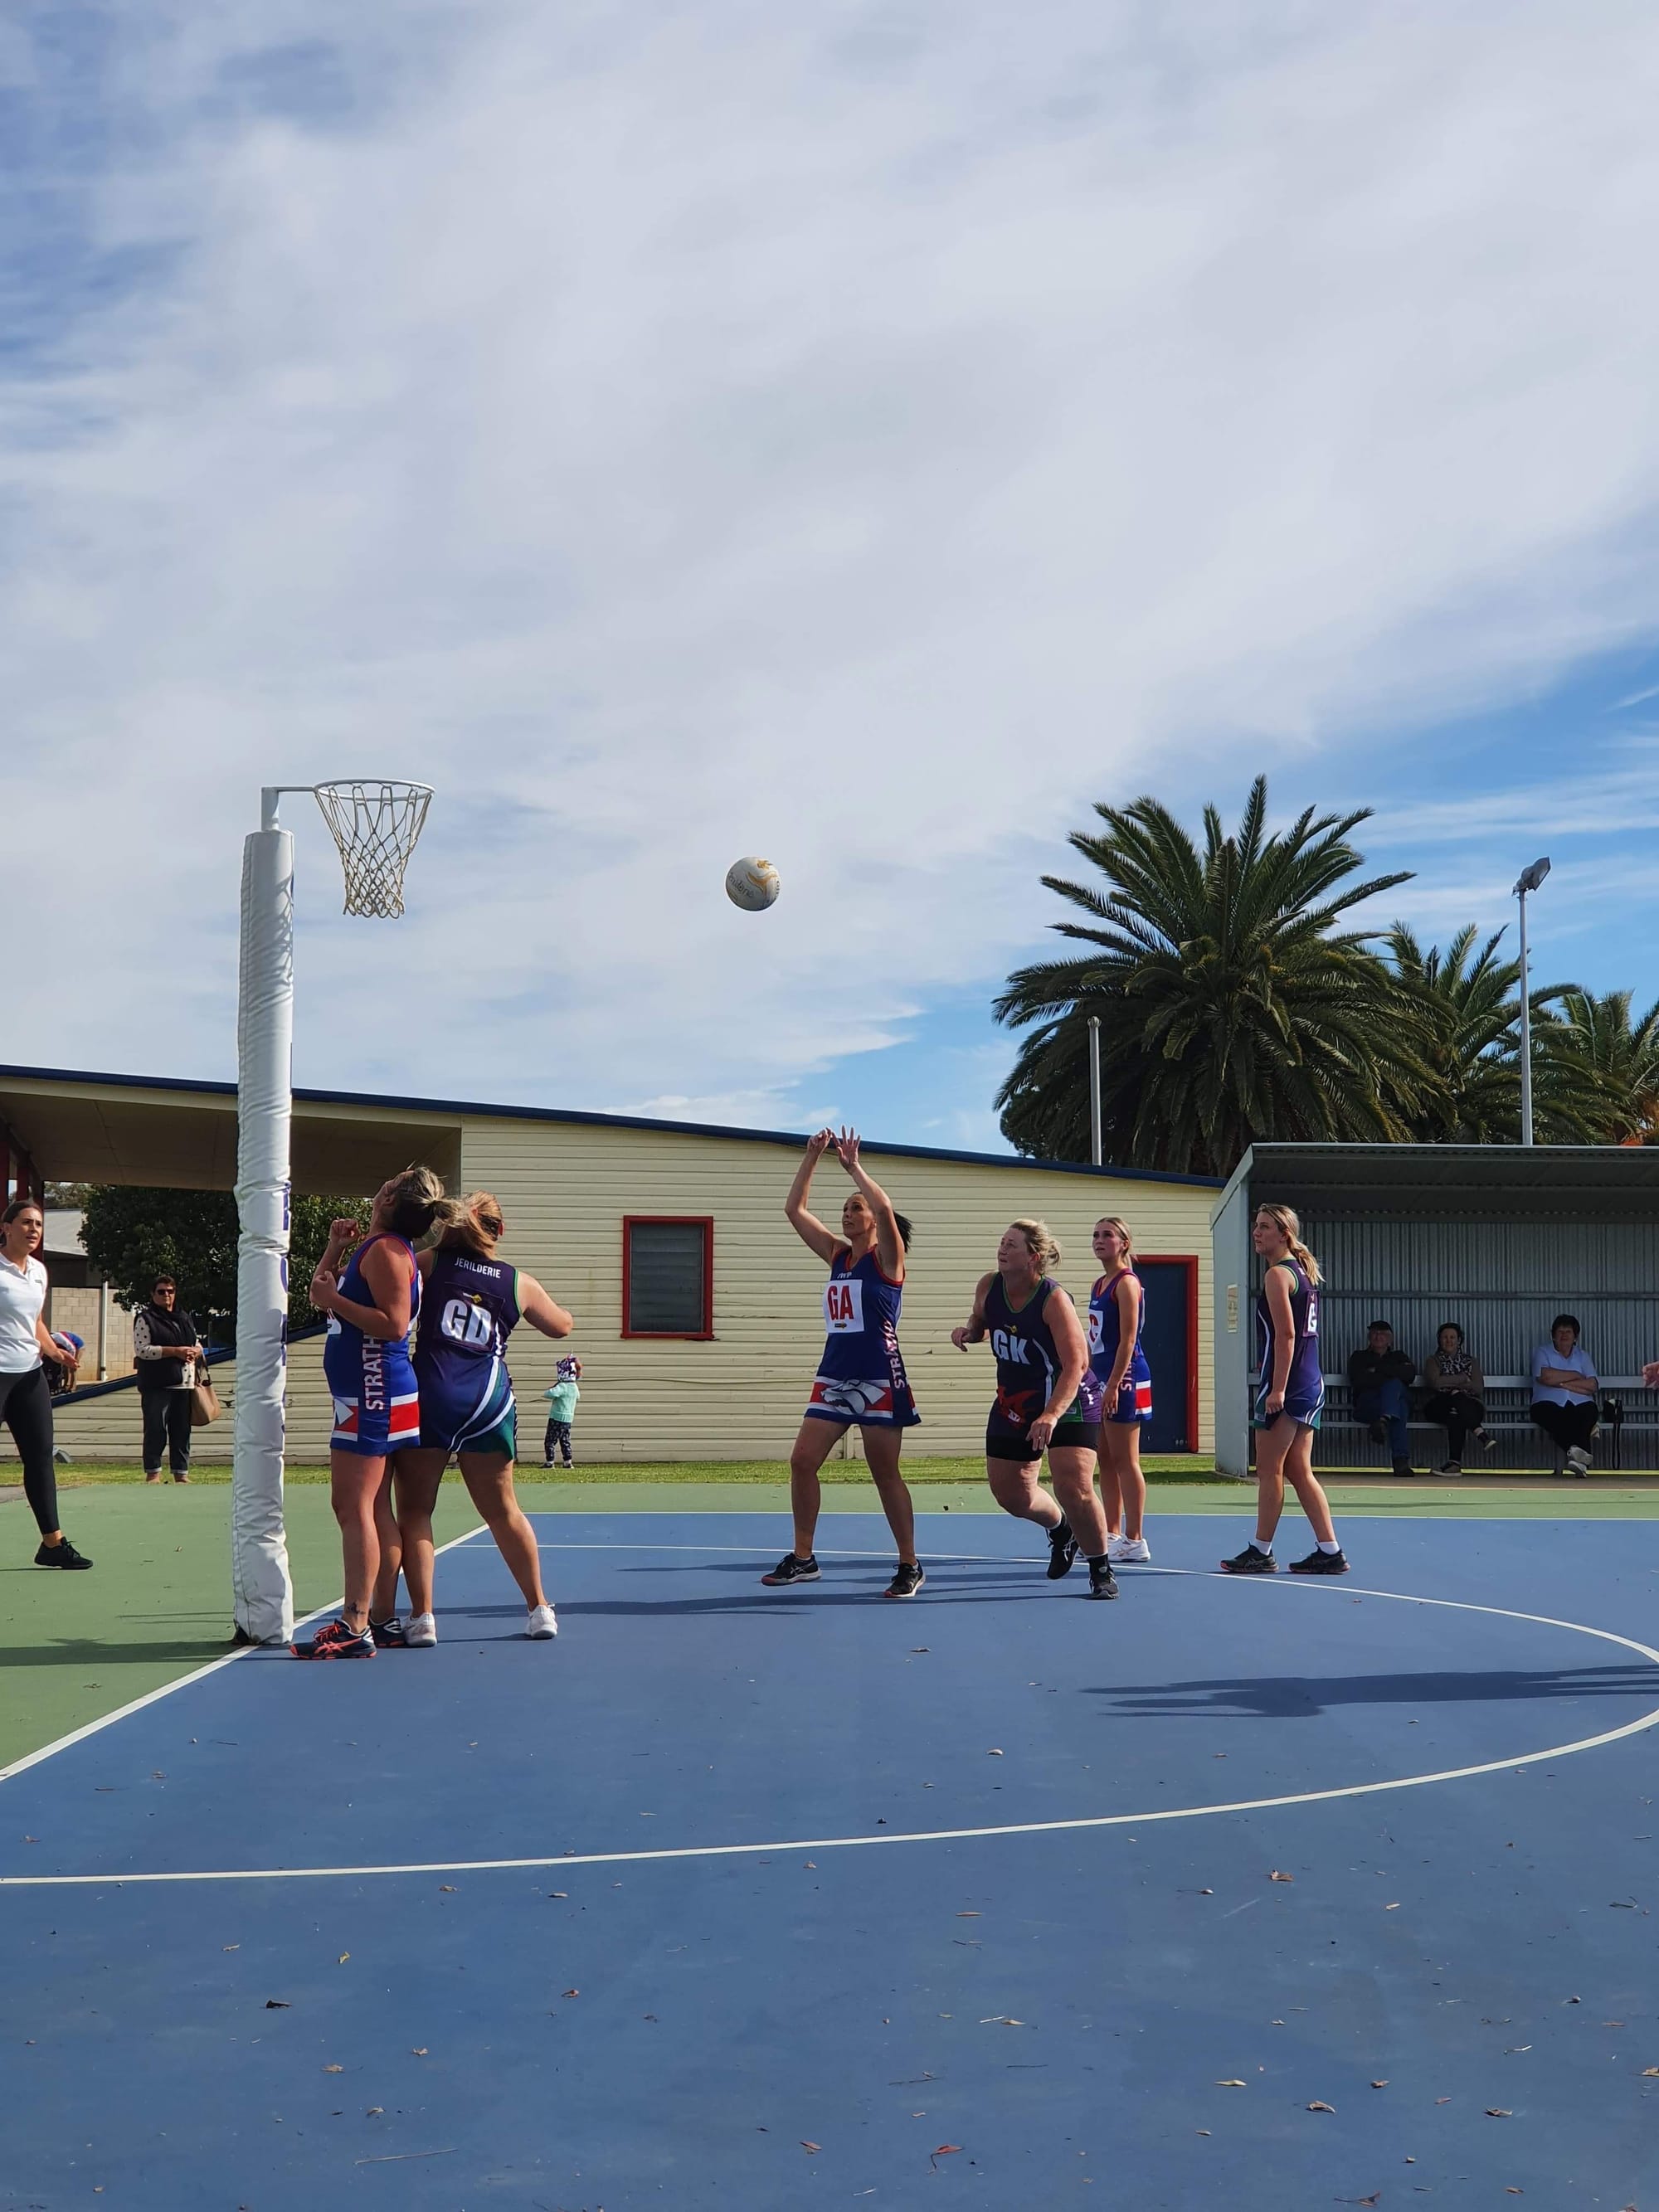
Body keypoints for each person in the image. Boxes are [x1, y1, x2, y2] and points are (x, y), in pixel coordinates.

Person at [370, 1191, 571, 1646]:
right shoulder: (517, 1281)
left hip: (431, 1392)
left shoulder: (430, 1262)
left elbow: (383, 1286)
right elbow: (561, 1326)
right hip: (487, 1400)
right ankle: (539, 1608)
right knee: (503, 1510)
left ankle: (422, 1618)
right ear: (498, 1232)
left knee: (417, 1509)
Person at [295, 1166, 455, 1660]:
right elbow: (323, 1295)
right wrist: (334, 1251)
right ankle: (379, 1618)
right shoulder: (376, 1247)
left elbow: (394, 1324)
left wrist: (333, 1298)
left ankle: (356, 1622)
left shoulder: (387, 1252)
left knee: (353, 1507)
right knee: (371, 1508)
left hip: (374, 1392)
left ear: (388, 1196)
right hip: (367, 1393)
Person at [761, 1128, 924, 1600]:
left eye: (857, 1207)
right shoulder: (837, 1256)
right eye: (846, 1208)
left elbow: (888, 1208)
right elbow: (794, 1211)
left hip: (879, 1375)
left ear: (873, 1221)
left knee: (884, 1472)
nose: (849, 1213)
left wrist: (854, 1166)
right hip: (835, 1374)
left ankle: (909, 1563)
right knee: (802, 1461)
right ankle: (804, 1557)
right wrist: (811, 1157)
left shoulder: (887, 1260)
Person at [953, 1218, 1117, 1601]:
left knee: (1073, 1486)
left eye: (1012, 1245)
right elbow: (982, 1322)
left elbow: (1076, 1365)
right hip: (1016, 1401)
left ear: (1034, 1257)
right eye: (1002, 1242)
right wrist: (968, 1333)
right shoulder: (989, 1286)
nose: (1002, 1250)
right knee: (1011, 1494)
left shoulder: (1052, 1299)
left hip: (1070, 1398)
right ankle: (1062, 1530)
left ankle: (1101, 1569)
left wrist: (1051, 1415)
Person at [1221, 1203, 1347, 1576]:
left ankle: (1261, 1550)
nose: (1256, 1233)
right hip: (1309, 1380)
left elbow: (1287, 1335)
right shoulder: (1300, 1273)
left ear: (1284, 1235)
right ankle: (1330, 1550)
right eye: (1255, 1226)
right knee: (1297, 1468)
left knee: (1269, 1468)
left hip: (1289, 1385)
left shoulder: (1278, 1275)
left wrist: (1277, 1388)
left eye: (1264, 1227)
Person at [0, 1195, 90, 1568]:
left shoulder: (38, 1271)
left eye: (37, 1224)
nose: (33, 1230)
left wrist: (54, 1352)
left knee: (39, 1459)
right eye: (25, 1223)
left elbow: (34, 1321)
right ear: (6, 1229)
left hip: (30, 1376)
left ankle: (52, 1545)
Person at [1087, 1216, 1152, 1565]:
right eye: (1096, 1235)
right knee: (1105, 1458)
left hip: (1125, 1377)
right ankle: (1111, 1531)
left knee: (1127, 1460)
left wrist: (1113, 1384)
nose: (1099, 1240)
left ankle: (1135, 1538)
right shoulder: (1099, 1283)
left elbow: (1128, 1338)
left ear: (1124, 1243)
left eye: (1107, 1235)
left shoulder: (1127, 1284)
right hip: (1100, 1377)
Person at [134, 1274, 207, 1485]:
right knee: (156, 1428)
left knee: (182, 1430)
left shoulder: (184, 1317)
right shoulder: (145, 1319)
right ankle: (153, 1473)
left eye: (170, 1291)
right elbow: (143, 1350)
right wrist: (174, 1351)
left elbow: (197, 1342)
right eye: (161, 1291)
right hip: (157, 1384)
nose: (166, 1295)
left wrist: (194, 1350)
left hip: (184, 1383)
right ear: (152, 1294)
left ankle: (181, 1473)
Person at [1345, 1320, 1418, 1478]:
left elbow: (1410, 1375)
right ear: (1369, 1337)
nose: (1378, 1336)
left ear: (1390, 1338)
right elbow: (1360, 1380)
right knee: (1398, 1403)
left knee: (1396, 1390)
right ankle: (1400, 1461)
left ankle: (1384, 1419)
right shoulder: (1359, 1357)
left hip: (1387, 1406)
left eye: (1383, 1333)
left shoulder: (1399, 1355)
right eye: (1375, 1333)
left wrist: (1376, 1370)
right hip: (1368, 1406)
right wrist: (1392, 1373)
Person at [1421, 1322, 1495, 1475]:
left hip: (1472, 1406)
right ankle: (1480, 1433)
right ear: (1439, 1340)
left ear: (1459, 1340)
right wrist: (1462, 1379)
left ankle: (1454, 1465)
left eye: (1452, 1337)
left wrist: (1449, 1383)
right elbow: (1435, 1383)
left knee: (1457, 1410)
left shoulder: (1470, 1361)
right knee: (1455, 1402)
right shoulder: (1433, 1361)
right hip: (1440, 1405)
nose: (1449, 1341)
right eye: (1445, 1337)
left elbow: (1478, 1388)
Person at [1530, 1313, 1598, 1475]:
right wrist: (1576, 1374)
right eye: (1560, 1332)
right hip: (1546, 1402)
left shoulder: (1583, 1356)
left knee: (1587, 1412)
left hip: (1581, 1402)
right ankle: (1578, 1455)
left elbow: (1592, 1385)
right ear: (1553, 1336)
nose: (1564, 1335)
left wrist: (1560, 1382)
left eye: (1568, 1332)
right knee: (1555, 1415)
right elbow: (1545, 1377)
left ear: (1575, 1336)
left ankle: (1577, 1456)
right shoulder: (1542, 1352)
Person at [543, 1355, 581, 1468]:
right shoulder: (574, 1387)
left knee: (550, 1441)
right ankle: (568, 1462)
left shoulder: (563, 1386)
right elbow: (578, 1397)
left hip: (557, 1417)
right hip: (568, 1419)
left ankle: (550, 1462)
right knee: (565, 1440)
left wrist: (554, 1387)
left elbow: (549, 1394)